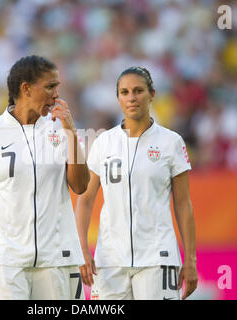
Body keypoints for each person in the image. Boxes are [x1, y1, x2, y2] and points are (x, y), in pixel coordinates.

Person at [0, 55, 90, 300]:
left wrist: (71, 132)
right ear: (26, 88)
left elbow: (80, 185)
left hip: (57, 258)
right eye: (50, 86)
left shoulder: (61, 128)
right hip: (6, 262)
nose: (56, 95)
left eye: (57, 87)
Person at [75, 67, 198, 300]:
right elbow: (86, 199)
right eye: (125, 92)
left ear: (152, 94)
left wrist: (190, 260)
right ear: (118, 97)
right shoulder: (104, 142)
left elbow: (183, 204)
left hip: (157, 258)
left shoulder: (171, 142)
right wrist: (81, 248)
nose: (131, 97)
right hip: (109, 261)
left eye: (138, 91)